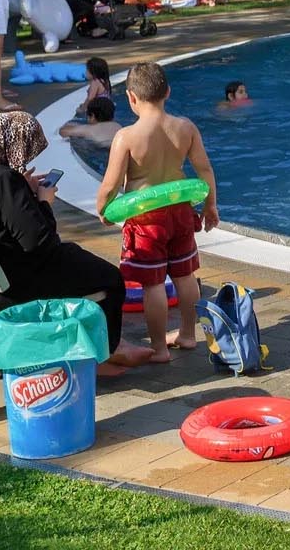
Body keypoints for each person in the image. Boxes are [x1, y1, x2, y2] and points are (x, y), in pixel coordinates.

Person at [0, 112, 153, 374]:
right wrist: (43, 202)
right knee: (111, 279)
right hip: (13, 285)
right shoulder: (2, 179)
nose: (25, 159)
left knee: (79, 258)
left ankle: (96, 349)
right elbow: (40, 242)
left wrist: (23, 192)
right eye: (25, 151)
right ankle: (105, 352)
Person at [96, 63, 219, 361]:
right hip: (180, 212)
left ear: (131, 97)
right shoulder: (186, 128)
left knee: (153, 285)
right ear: (168, 92)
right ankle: (188, 334)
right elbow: (204, 170)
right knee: (185, 276)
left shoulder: (127, 137)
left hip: (146, 220)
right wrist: (210, 205)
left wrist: (103, 210)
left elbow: (111, 184)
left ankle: (160, 348)